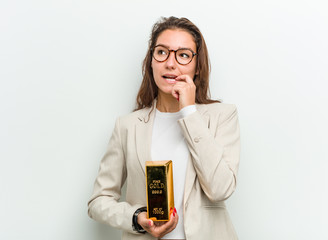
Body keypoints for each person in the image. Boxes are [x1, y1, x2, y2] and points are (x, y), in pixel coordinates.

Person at [88, 16, 240, 240]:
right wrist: (137, 218)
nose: (171, 63)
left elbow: (220, 189)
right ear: (151, 61)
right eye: (162, 52)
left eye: (183, 55)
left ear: (197, 67)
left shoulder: (223, 117)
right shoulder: (127, 126)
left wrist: (189, 112)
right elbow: (98, 202)